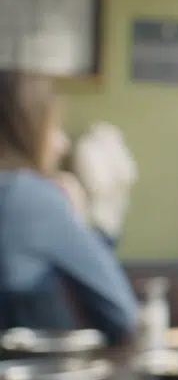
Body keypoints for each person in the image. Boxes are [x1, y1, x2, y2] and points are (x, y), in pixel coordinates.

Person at [0, 70, 138, 343]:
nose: (62, 144)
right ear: (26, 132)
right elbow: (121, 313)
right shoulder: (29, 196)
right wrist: (88, 218)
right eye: (53, 128)